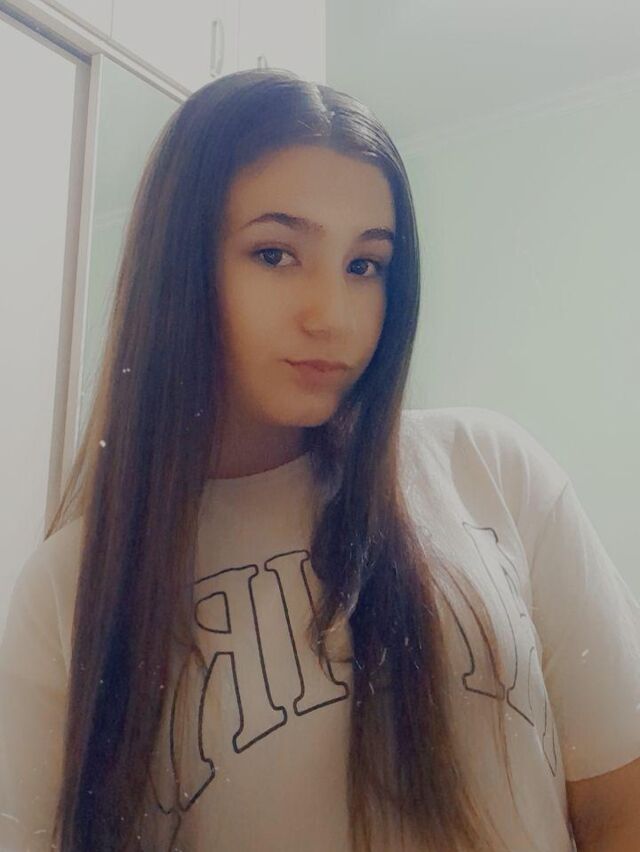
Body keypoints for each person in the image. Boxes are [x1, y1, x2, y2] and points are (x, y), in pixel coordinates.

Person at [1, 67, 639, 852]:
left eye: (365, 265)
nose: (332, 315)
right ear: (181, 267)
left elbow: (621, 803)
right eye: (275, 254)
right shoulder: (70, 590)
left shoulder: (489, 470)